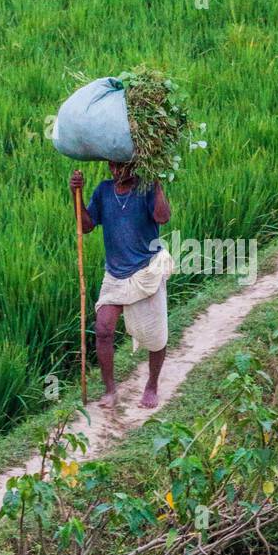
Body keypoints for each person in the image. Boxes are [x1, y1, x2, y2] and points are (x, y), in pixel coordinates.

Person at [69, 162, 172, 408]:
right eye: (112, 165)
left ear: (135, 164)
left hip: (146, 270)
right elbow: (86, 226)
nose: (115, 170)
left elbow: (163, 217)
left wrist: (156, 182)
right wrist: (76, 196)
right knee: (103, 329)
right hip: (115, 274)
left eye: (122, 165)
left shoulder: (146, 188)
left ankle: (152, 385)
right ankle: (110, 390)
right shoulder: (104, 191)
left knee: (156, 336)